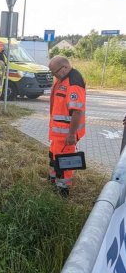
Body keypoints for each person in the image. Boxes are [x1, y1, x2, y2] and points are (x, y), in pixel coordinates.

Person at [48, 55, 86, 196]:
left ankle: (62, 189)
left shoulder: (74, 82)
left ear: (64, 68)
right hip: (58, 133)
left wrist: (71, 134)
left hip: (66, 135)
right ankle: (53, 180)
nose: (54, 75)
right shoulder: (62, 79)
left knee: (64, 163)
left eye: (54, 72)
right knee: (53, 156)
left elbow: (77, 111)